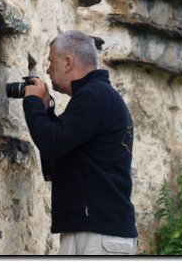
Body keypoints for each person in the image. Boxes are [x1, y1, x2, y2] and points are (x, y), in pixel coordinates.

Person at [22, 30, 138, 255]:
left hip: (98, 235)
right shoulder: (100, 96)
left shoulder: (93, 97)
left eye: (51, 61)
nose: (47, 69)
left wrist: (33, 102)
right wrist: (47, 111)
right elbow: (64, 145)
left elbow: (51, 143)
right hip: (97, 231)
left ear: (67, 62)